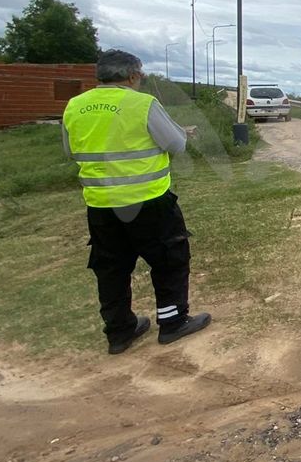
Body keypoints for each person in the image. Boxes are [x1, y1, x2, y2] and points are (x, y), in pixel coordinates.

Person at [62, 49, 211, 354]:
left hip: (101, 204)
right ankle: (172, 322)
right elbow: (176, 144)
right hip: (149, 202)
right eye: (140, 75)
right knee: (169, 260)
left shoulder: (75, 106)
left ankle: (119, 331)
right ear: (132, 76)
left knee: (111, 268)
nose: (140, 80)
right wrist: (179, 134)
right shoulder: (142, 104)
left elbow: (70, 151)